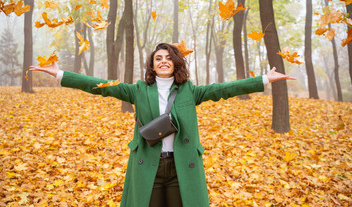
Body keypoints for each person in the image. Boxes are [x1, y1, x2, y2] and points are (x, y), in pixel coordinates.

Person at [29, 43, 295, 207]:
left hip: (182, 167)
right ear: (153, 65)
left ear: (175, 62)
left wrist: (263, 80)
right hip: (149, 166)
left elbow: (223, 89)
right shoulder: (137, 90)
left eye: (168, 57)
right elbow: (99, 86)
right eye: (158, 58)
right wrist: (61, 74)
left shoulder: (189, 90)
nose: (163, 61)